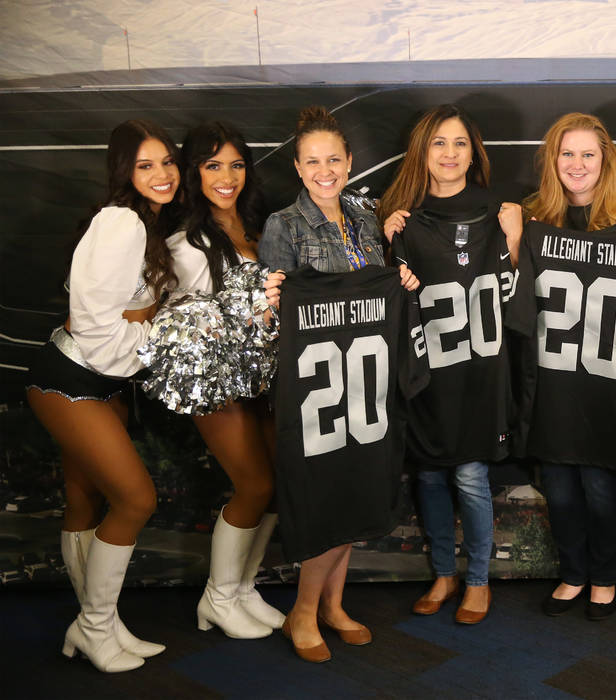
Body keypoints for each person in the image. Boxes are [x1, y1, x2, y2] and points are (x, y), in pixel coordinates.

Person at [258, 105, 419, 663]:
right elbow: (269, 313)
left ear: (349, 162)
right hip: (317, 389)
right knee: (326, 500)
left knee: (357, 491)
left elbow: (381, 292)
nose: (324, 170)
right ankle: (302, 612)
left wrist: (402, 279)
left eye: (334, 159)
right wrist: (273, 302)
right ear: (298, 168)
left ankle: (333, 605)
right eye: (312, 162)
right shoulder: (284, 224)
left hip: (367, 383)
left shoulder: (366, 217)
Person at [508, 112, 616, 621]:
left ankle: (604, 576)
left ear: (605, 160)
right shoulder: (538, 225)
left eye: (588, 153)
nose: (576, 164)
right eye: (566, 153)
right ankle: (573, 572)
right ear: (552, 162)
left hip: (609, 387)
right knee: (559, 491)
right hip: (556, 385)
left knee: (603, 491)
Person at [25, 119, 180, 672]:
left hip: (102, 380)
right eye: (145, 165)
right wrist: (161, 339)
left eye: (166, 161)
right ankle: (93, 627)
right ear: (124, 172)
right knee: (136, 500)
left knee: (85, 502)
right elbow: (94, 325)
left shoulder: (148, 223)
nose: (161, 174)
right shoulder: (121, 222)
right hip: (70, 378)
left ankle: (101, 624)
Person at [379, 104, 522, 624]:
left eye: (459, 142)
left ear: (473, 152)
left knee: (470, 477)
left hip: (480, 371)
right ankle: (443, 573)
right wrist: (390, 237)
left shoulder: (499, 212)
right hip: (429, 370)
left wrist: (514, 239)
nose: (449, 153)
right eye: (439, 142)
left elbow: (516, 298)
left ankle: (478, 580)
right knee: (432, 478)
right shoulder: (402, 220)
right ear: (423, 151)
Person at [167, 121, 284, 639]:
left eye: (236, 164)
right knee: (253, 484)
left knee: (275, 486)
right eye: (213, 165)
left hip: (264, 376)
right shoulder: (186, 242)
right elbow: (191, 320)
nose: (227, 176)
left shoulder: (259, 226)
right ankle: (217, 597)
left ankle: (241, 588)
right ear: (194, 172)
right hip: (216, 380)